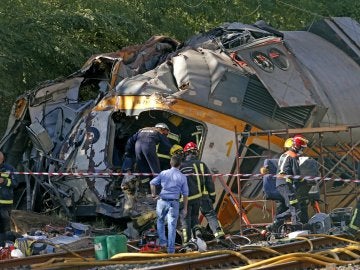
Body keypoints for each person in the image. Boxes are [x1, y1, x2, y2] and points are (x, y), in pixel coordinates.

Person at [181, 142, 225, 243]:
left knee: (192, 217)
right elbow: (209, 181)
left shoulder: (181, 166)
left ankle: (193, 238)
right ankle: (219, 235)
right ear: (196, 153)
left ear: (185, 153)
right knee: (210, 214)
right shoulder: (201, 165)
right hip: (203, 196)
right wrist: (212, 196)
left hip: (188, 198)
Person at [150, 155, 188, 254]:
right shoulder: (182, 177)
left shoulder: (163, 173)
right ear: (180, 165)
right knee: (172, 225)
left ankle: (163, 243)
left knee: (160, 221)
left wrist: (154, 195)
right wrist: (185, 208)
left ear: (170, 163)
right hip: (174, 202)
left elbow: (152, 183)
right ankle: (171, 250)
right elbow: (185, 194)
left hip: (162, 201)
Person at [124, 123, 172, 192]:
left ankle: (144, 189)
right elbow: (168, 145)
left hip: (137, 147)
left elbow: (130, 141)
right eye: (166, 133)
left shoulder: (142, 130)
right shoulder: (158, 132)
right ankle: (158, 191)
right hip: (148, 147)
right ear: (162, 129)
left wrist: (128, 153)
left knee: (143, 169)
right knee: (155, 170)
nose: (166, 135)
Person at [275, 134, 309, 225]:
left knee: (293, 206)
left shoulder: (284, 155)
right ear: (297, 146)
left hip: (280, 183)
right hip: (286, 183)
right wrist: (305, 181)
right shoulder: (293, 156)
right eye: (302, 148)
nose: (302, 150)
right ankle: (296, 229)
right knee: (295, 206)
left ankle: (277, 221)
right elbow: (297, 175)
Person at [0, 151, 17, 247]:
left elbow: (15, 183)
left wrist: (4, 181)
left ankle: (3, 247)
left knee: (4, 227)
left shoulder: (9, 169)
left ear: (2, 159)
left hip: (5, 203)